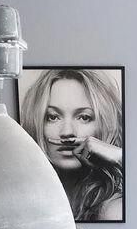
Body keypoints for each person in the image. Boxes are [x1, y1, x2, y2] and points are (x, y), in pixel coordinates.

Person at [21, 68, 123, 221]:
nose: (67, 132)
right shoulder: (23, 202)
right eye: (53, 117)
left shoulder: (113, 209)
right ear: (36, 124)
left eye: (84, 117)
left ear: (104, 123)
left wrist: (121, 157)